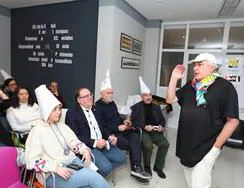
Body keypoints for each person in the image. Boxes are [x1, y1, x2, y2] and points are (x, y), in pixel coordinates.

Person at [166, 53, 239, 188]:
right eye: (194, 65)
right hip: (187, 143)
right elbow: (170, 100)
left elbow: (233, 121)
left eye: (200, 64)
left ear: (212, 68)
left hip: (208, 145)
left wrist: (216, 148)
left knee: (200, 183)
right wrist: (173, 78)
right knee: (189, 176)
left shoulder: (225, 87)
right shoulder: (192, 85)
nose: (195, 68)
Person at [25, 85, 109, 188]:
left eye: (59, 109)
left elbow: (73, 141)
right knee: (95, 178)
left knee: (89, 185)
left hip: (71, 163)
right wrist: (56, 168)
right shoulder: (37, 131)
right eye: (54, 110)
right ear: (46, 111)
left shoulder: (61, 126)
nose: (59, 112)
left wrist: (85, 150)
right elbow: (32, 161)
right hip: (52, 174)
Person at [95, 70, 151, 184]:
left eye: (112, 92)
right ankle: (136, 170)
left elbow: (117, 118)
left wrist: (124, 121)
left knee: (135, 137)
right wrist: (117, 128)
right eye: (108, 93)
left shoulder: (112, 103)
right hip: (111, 134)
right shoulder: (98, 107)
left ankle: (137, 168)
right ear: (101, 94)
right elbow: (102, 127)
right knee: (129, 144)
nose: (111, 95)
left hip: (121, 130)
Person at [65, 88, 127, 177]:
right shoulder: (72, 113)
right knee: (106, 167)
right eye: (86, 96)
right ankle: (94, 176)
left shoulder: (96, 109)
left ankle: (96, 172)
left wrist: (109, 136)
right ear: (79, 100)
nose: (90, 97)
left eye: (90, 95)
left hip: (104, 142)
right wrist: (95, 143)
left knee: (122, 159)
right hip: (89, 146)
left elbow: (103, 127)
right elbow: (74, 136)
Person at [131, 76, 169, 179]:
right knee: (148, 146)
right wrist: (144, 126)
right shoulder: (136, 107)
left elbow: (162, 120)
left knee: (165, 144)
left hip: (156, 130)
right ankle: (147, 166)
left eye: (149, 95)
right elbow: (133, 122)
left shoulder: (156, 107)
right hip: (144, 131)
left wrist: (161, 126)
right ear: (141, 97)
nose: (148, 97)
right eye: (145, 95)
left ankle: (158, 167)